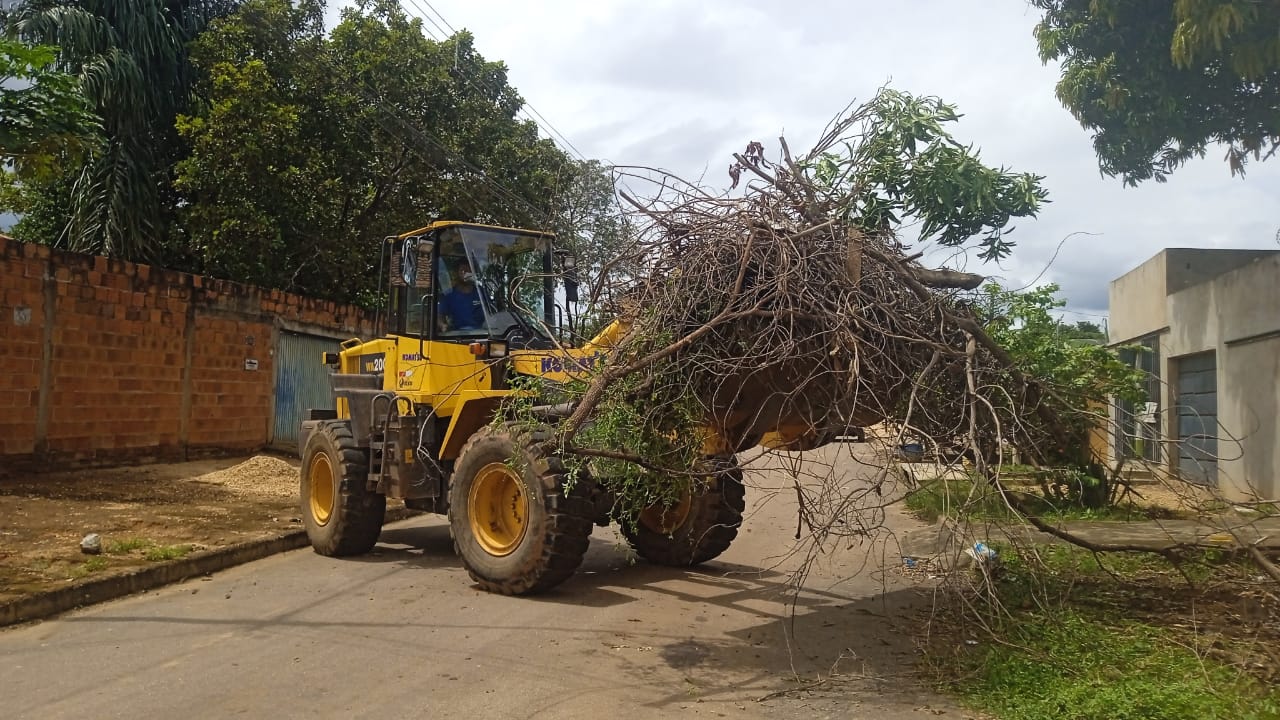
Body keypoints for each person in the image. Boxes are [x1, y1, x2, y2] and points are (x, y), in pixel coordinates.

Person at [438, 259, 485, 331]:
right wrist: (442, 325)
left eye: (469, 271)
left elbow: (492, 315)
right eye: (463, 270)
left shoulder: (481, 292)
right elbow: (439, 315)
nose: (466, 274)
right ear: (456, 273)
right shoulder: (449, 295)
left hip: (482, 334)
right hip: (458, 336)